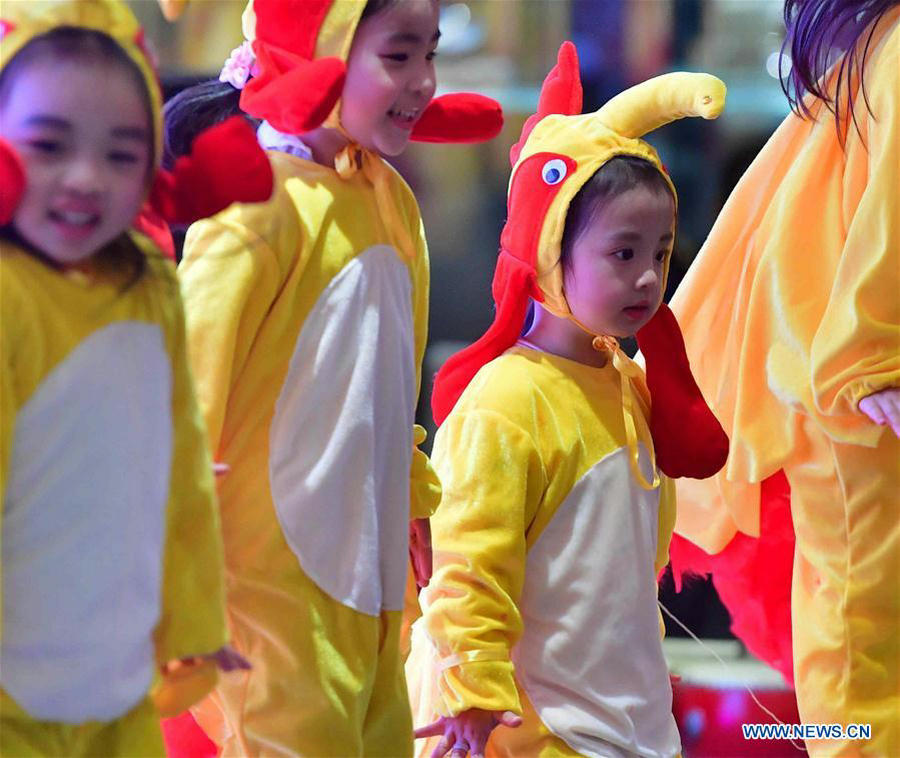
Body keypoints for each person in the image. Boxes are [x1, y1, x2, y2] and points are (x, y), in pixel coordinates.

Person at [163, 0, 502, 754]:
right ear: (320, 48)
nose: (423, 82)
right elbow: (180, 398)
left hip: (372, 584)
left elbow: (389, 386)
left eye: (431, 54)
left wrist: (413, 499)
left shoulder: (392, 201)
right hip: (267, 594)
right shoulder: (255, 207)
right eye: (398, 55)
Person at [407, 42, 727, 758]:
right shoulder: (506, 401)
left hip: (634, 728)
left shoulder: (628, 380)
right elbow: (468, 566)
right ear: (551, 250)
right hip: (540, 733)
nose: (648, 278)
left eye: (660, 252)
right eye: (623, 253)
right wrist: (476, 696)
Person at [0, 1, 270, 754]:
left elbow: (178, 459)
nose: (86, 178)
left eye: (121, 153)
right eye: (50, 145)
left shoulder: (150, 274)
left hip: (115, 665)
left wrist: (190, 616)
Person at [666, 1, 900, 755]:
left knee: (853, 667)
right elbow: (880, 232)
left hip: (851, 389)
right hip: (859, 401)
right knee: (860, 677)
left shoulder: (879, 48)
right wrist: (875, 360)